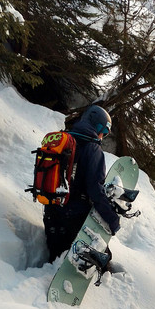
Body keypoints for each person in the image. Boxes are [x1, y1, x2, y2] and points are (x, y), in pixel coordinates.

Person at [43, 105, 120, 263]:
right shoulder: (92, 150)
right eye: (103, 131)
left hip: (51, 209)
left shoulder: (63, 140)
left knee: (55, 257)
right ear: (97, 126)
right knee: (102, 260)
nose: (102, 136)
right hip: (74, 216)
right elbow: (95, 191)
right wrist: (112, 220)